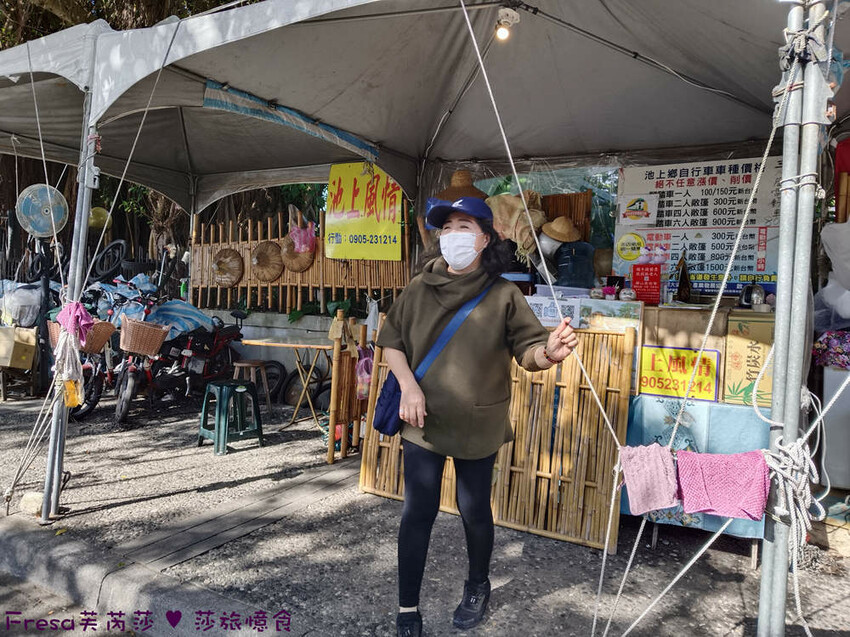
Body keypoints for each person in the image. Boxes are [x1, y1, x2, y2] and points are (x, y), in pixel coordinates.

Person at [377, 197, 579, 637]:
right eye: (447, 227)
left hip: (478, 422)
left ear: (485, 239)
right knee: (417, 512)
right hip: (423, 420)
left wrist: (549, 353)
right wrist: (408, 386)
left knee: (474, 511)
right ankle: (408, 606)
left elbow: (529, 352)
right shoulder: (418, 287)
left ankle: (477, 585)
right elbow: (391, 341)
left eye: (463, 226)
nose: (452, 235)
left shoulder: (504, 294)